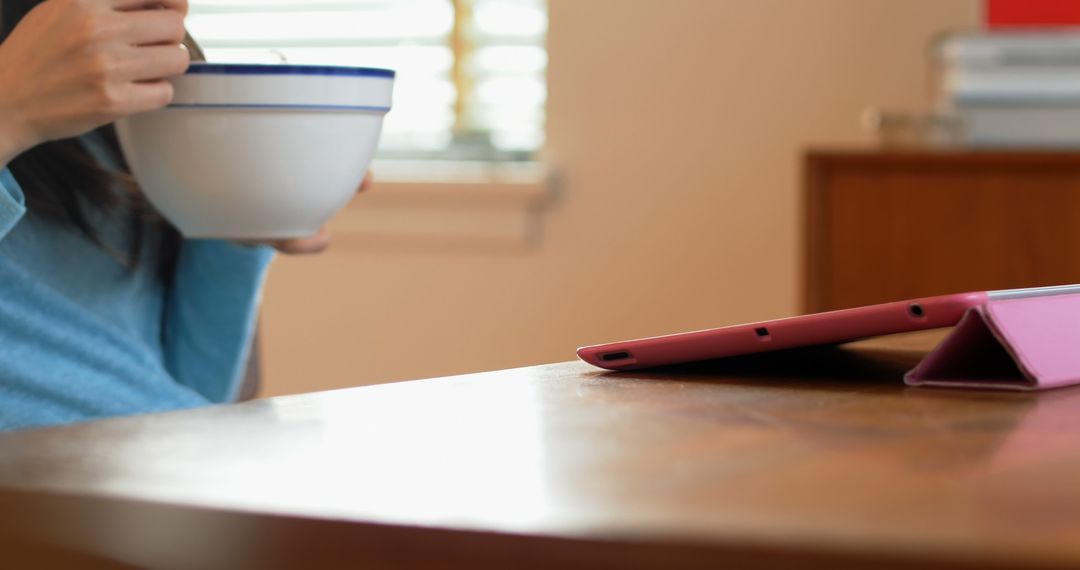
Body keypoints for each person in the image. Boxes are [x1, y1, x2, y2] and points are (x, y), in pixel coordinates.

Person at [0, 0, 367, 431]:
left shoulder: (112, 89)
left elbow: (199, 391)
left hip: (167, 464)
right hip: (60, 488)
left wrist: (234, 224)